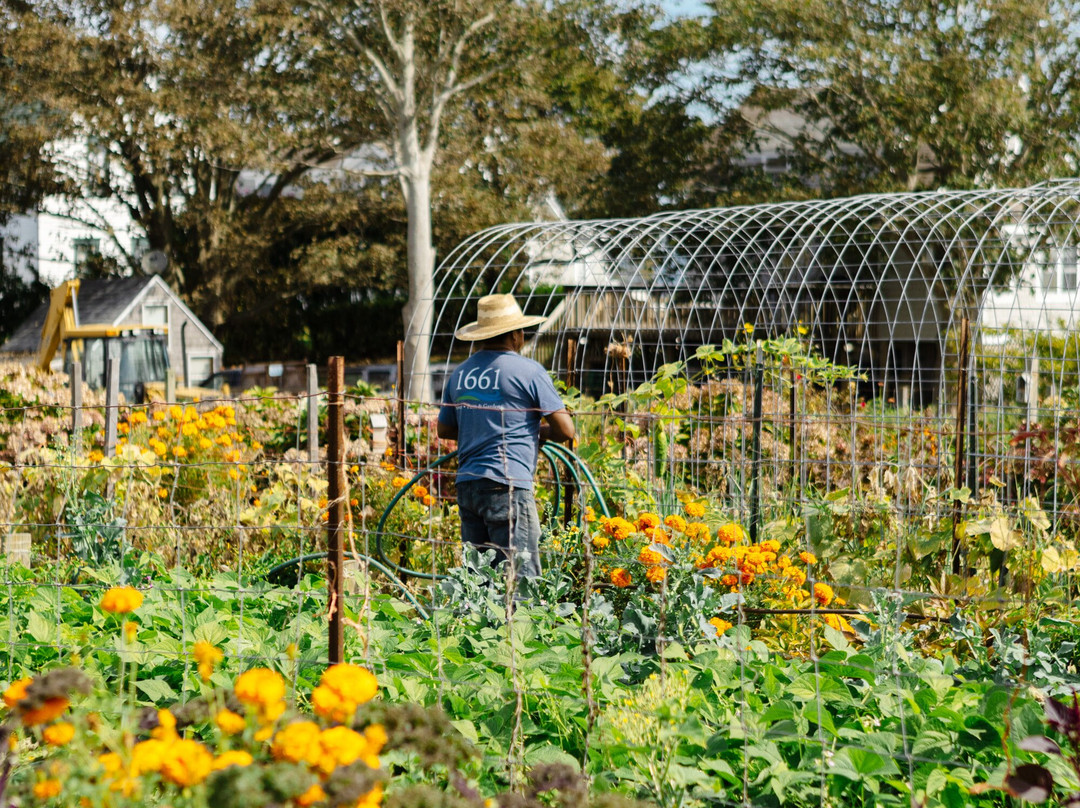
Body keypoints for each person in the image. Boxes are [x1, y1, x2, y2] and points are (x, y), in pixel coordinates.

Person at [437, 294, 576, 579]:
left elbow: (445, 429)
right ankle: (524, 624)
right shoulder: (529, 371)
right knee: (523, 580)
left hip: (468, 486)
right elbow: (566, 430)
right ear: (516, 334)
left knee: (479, 581)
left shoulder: (460, 374)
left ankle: (479, 624)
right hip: (508, 485)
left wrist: (483, 427)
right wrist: (535, 431)